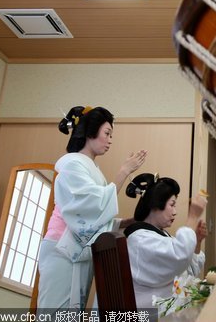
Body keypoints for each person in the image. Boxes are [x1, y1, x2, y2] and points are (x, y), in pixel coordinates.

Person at [37, 105, 147, 311]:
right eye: (107, 133)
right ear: (90, 132)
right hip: (62, 247)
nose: (110, 140)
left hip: (78, 249)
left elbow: (96, 213)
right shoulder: (72, 165)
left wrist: (125, 222)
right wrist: (123, 172)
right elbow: (90, 206)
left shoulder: (91, 168)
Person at [124, 173, 208, 309]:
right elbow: (180, 256)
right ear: (155, 204)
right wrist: (193, 216)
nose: (175, 212)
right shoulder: (140, 240)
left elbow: (187, 269)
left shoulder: (159, 235)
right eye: (172, 205)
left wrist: (197, 241)